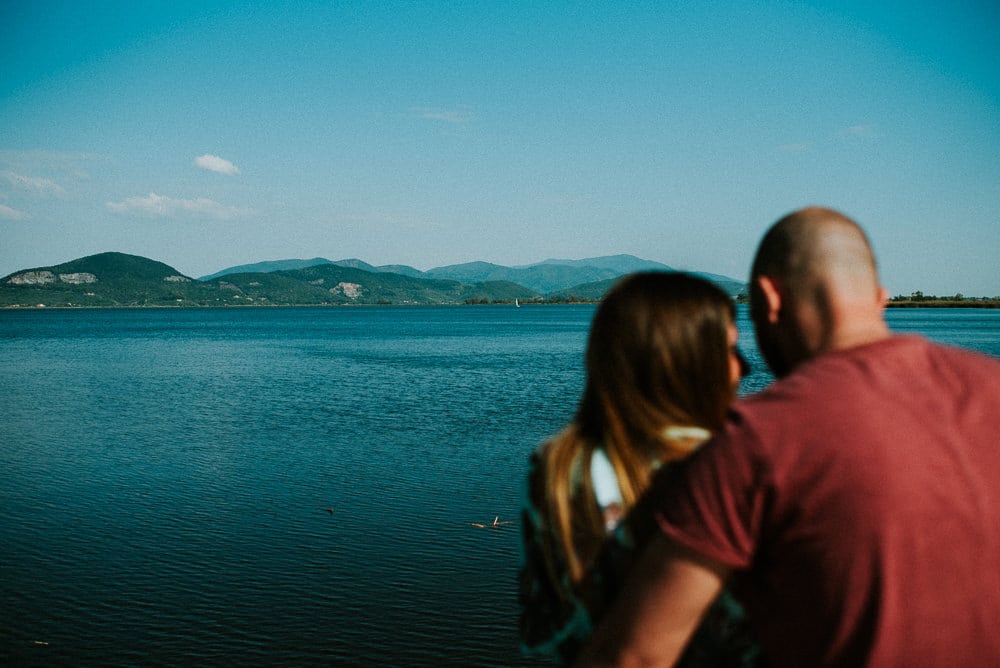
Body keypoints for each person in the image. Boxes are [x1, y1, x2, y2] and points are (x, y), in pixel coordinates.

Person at [575, 207, 1000, 667]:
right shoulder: (992, 385)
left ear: (768, 299)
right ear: (880, 299)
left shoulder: (760, 437)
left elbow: (634, 657)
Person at [519, 271, 756, 666]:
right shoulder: (732, 462)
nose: (743, 369)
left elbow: (542, 633)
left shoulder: (554, 468)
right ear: (684, 360)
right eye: (730, 352)